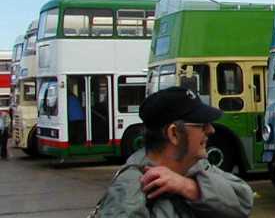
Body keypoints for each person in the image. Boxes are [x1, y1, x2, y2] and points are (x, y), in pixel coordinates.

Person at [95, 87, 253, 217]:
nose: (211, 130)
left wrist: (189, 187)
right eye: (201, 125)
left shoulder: (195, 166)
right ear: (174, 134)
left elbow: (243, 200)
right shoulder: (131, 191)